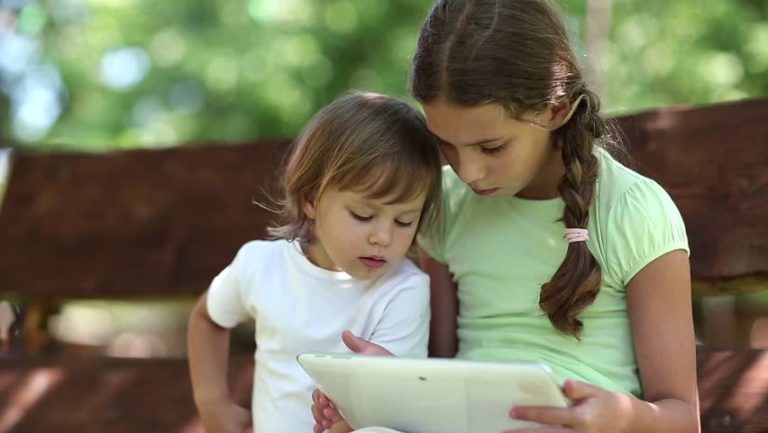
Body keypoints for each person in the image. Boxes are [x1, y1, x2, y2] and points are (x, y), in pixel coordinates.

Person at [312, 0, 700, 432]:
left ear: (555, 110)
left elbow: (683, 418)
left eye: (491, 147)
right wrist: (386, 389)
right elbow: (441, 369)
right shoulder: (449, 202)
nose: (468, 171)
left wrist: (621, 419)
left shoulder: (633, 211)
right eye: (446, 146)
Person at [187, 91, 443, 433]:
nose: (383, 237)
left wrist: (346, 421)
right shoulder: (262, 265)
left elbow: (389, 407)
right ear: (310, 199)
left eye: (404, 221)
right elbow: (207, 318)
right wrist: (212, 403)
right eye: (363, 214)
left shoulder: (404, 290)